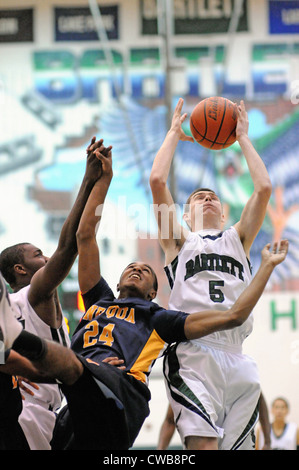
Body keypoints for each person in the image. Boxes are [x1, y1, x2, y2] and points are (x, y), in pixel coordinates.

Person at [0, 145, 288, 451]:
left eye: (145, 270)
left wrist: (265, 271)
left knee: (74, 365)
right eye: (131, 267)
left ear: (153, 293)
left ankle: (14, 339)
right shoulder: (99, 301)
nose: (137, 268)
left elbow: (230, 317)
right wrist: (102, 181)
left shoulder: (156, 317)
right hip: (77, 397)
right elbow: (85, 237)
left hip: (121, 392)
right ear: (117, 280)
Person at [149, 98, 272, 450]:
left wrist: (243, 137)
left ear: (224, 211)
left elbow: (263, 189)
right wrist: (174, 133)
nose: (206, 199)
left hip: (238, 355)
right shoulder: (179, 242)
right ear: (185, 215)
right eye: (198, 197)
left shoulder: (239, 238)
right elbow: (158, 180)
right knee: (202, 446)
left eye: (212, 197)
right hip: (195, 352)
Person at [0, 136, 105, 449]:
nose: (46, 259)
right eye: (38, 255)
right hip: (28, 415)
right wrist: (89, 181)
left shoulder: (12, 305)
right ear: (21, 270)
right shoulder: (35, 295)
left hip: (35, 413)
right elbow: (70, 245)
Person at [157, 392, 272, 450]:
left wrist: (267, 441)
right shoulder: (188, 382)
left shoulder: (235, 368)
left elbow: (259, 397)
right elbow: (169, 421)